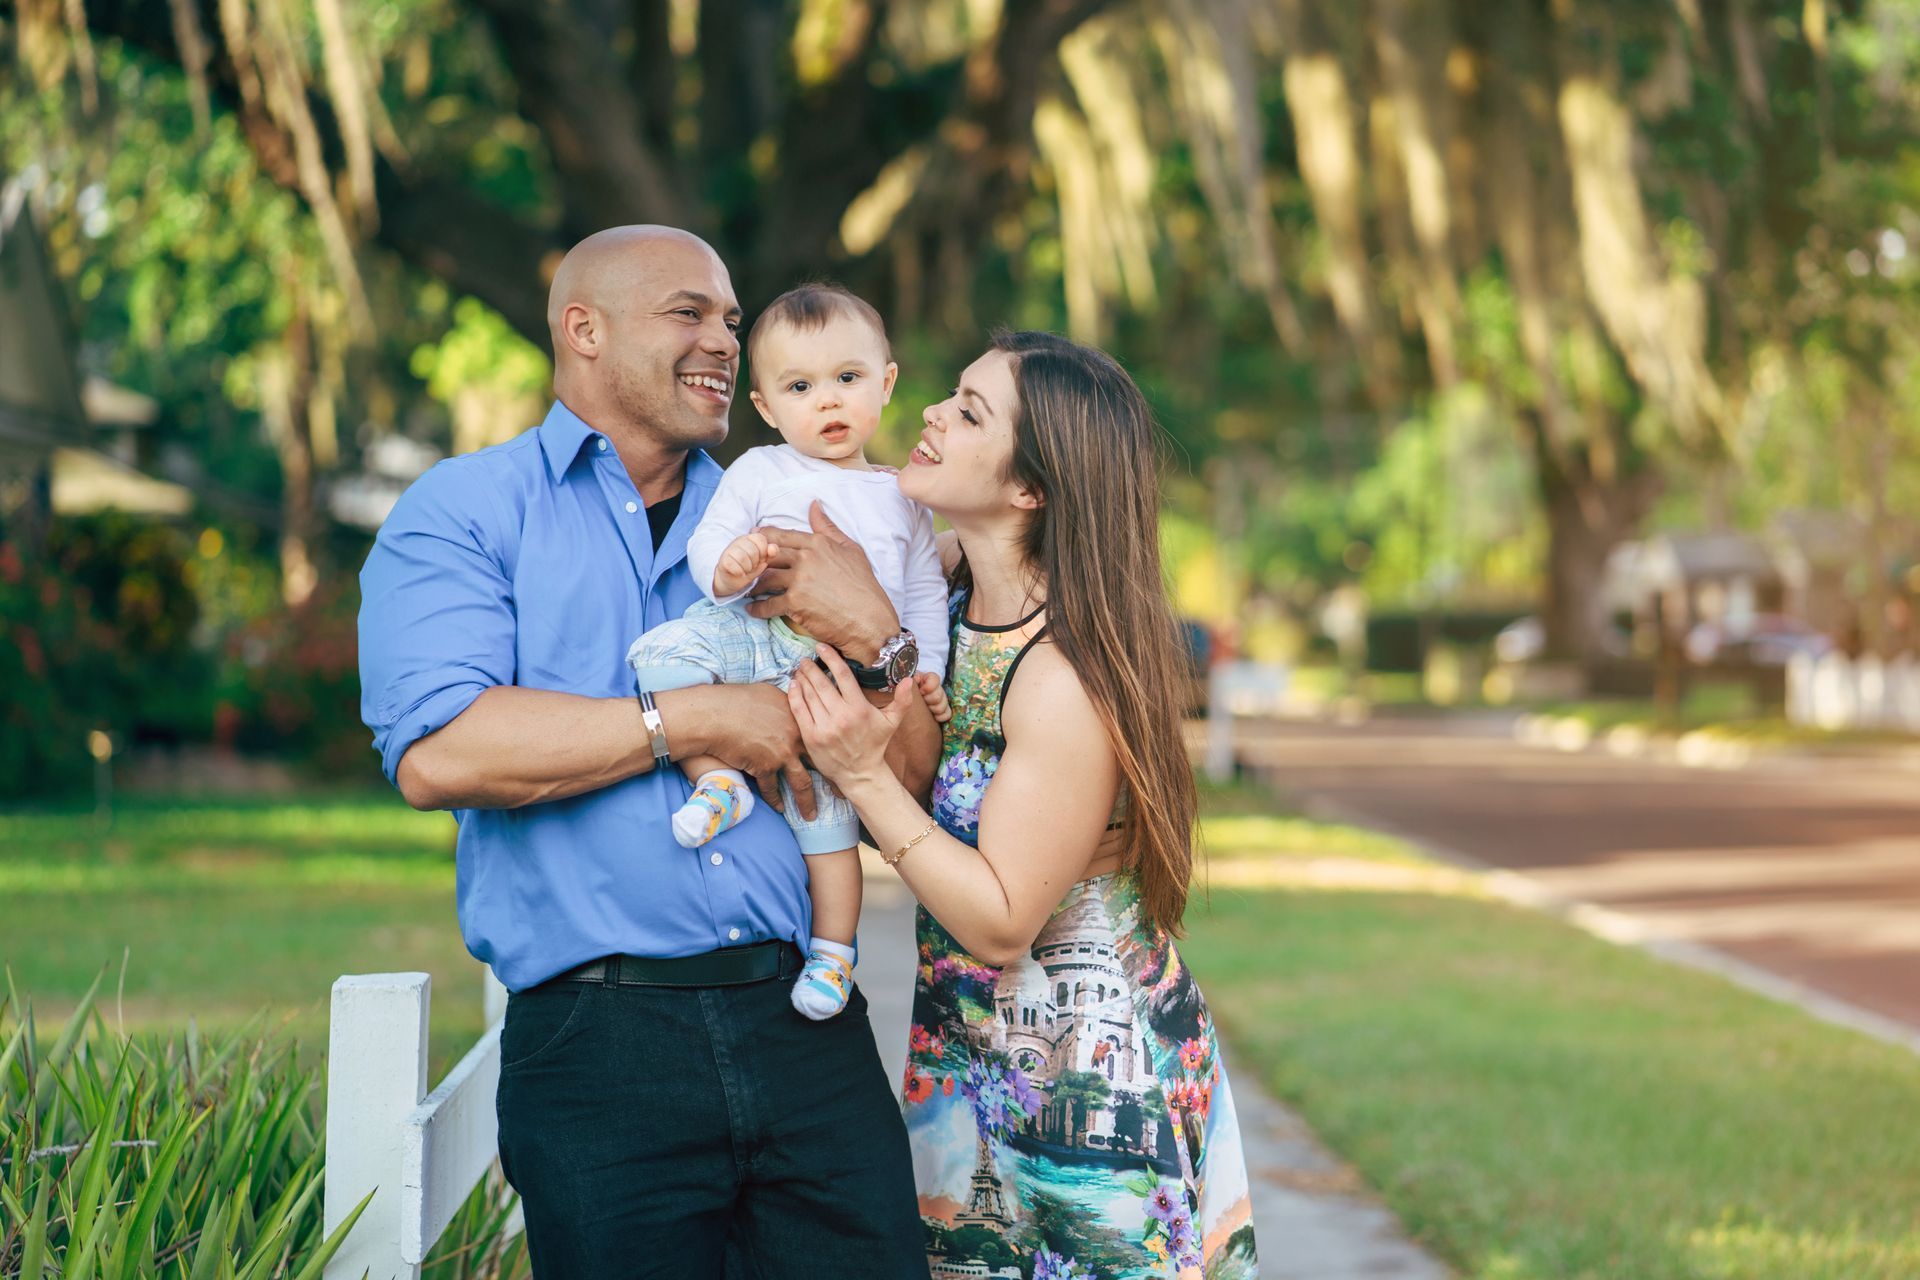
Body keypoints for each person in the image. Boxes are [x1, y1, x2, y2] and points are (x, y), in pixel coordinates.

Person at [356, 225, 937, 1278]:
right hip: (597, 1043)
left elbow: (914, 779)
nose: (726, 336)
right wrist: (702, 720)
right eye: (690, 312)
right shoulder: (466, 509)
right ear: (584, 329)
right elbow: (440, 749)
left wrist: (879, 635)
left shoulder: (792, 505)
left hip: (806, 1022)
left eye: (728, 316)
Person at [777, 332, 1261, 1276]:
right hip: (971, 1056)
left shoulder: (1063, 676)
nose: (929, 414)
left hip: (1086, 1086)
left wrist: (866, 777)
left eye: (969, 411)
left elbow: (1001, 920)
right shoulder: (951, 597)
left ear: (1031, 489)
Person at [625, 283, 952, 1022]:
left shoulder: (904, 496)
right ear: (767, 408)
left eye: (848, 379)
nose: (827, 402)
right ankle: (719, 782)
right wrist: (729, 567)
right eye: (801, 387)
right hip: (753, 635)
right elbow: (710, 542)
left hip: (835, 675)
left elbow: (924, 592)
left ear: (886, 382)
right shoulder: (761, 471)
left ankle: (835, 954)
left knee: (827, 817)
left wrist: (923, 669)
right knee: (659, 658)